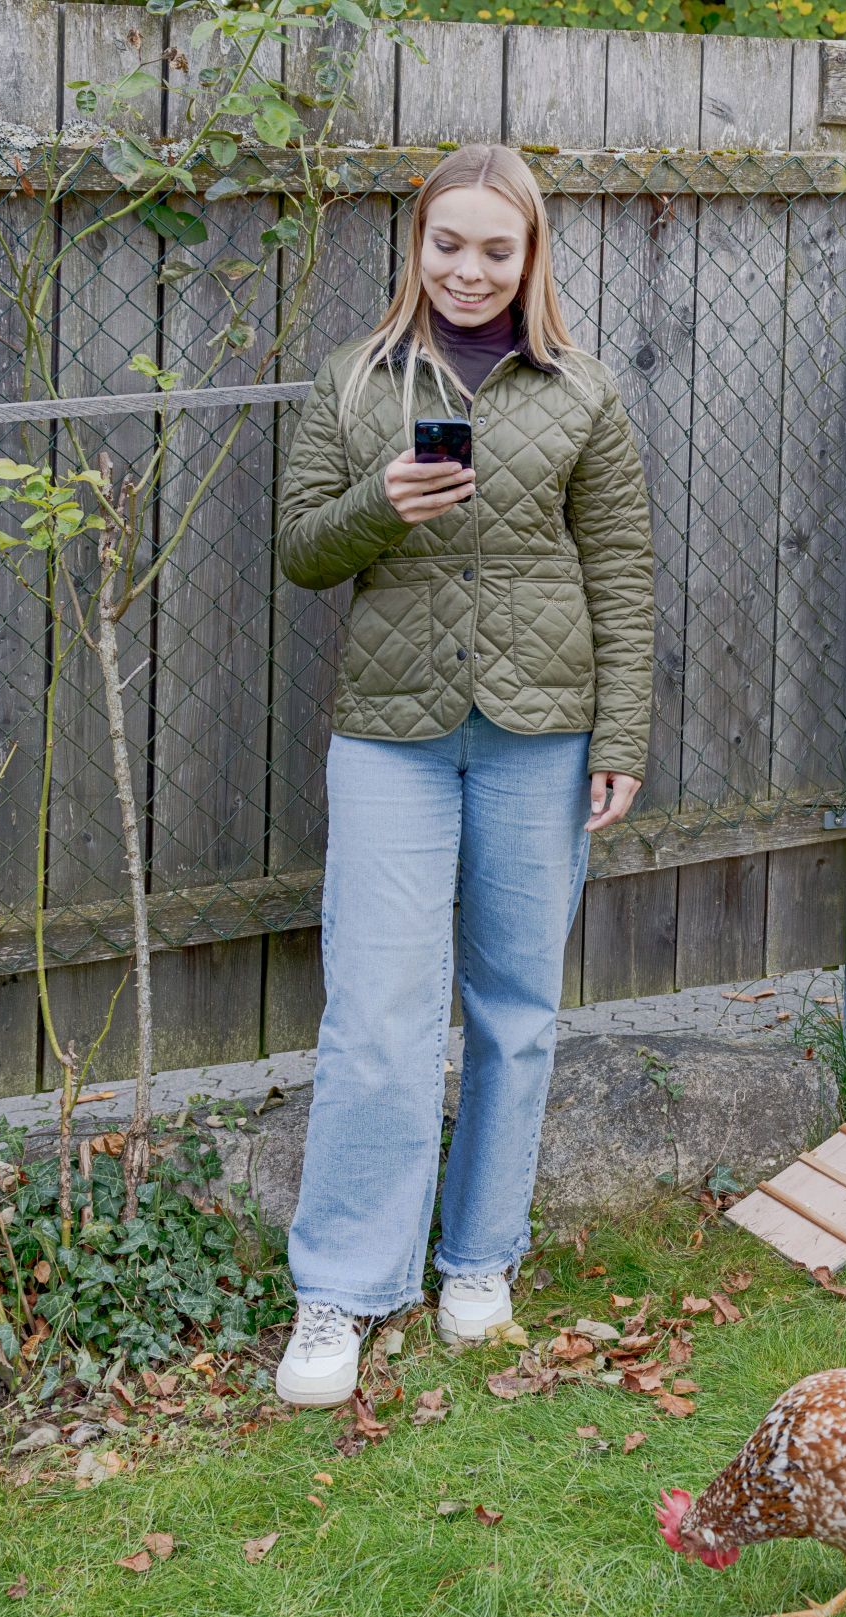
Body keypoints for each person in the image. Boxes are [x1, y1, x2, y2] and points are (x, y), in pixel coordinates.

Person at [269, 142, 654, 1407]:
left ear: (530, 255)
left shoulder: (584, 393)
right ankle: (340, 1288)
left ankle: (478, 1258)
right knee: (376, 1016)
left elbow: (622, 575)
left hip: (540, 735)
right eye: (449, 244)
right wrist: (383, 504)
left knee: (514, 1011)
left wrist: (621, 740)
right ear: (416, 245)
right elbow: (301, 553)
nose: (470, 269)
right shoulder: (354, 379)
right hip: (391, 734)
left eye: (498, 248)